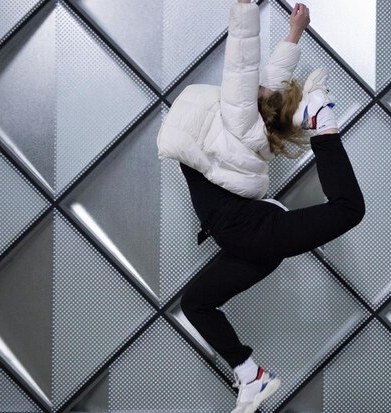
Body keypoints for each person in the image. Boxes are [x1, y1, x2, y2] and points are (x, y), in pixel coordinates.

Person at [156, 1, 365, 412]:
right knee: (196, 303)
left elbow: (243, 56)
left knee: (348, 209)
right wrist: (293, 34)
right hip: (250, 238)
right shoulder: (247, 118)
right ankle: (251, 376)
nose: (262, 81)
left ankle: (323, 123)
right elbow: (269, 75)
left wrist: (244, 7)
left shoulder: (239, 116)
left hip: (253, 234)